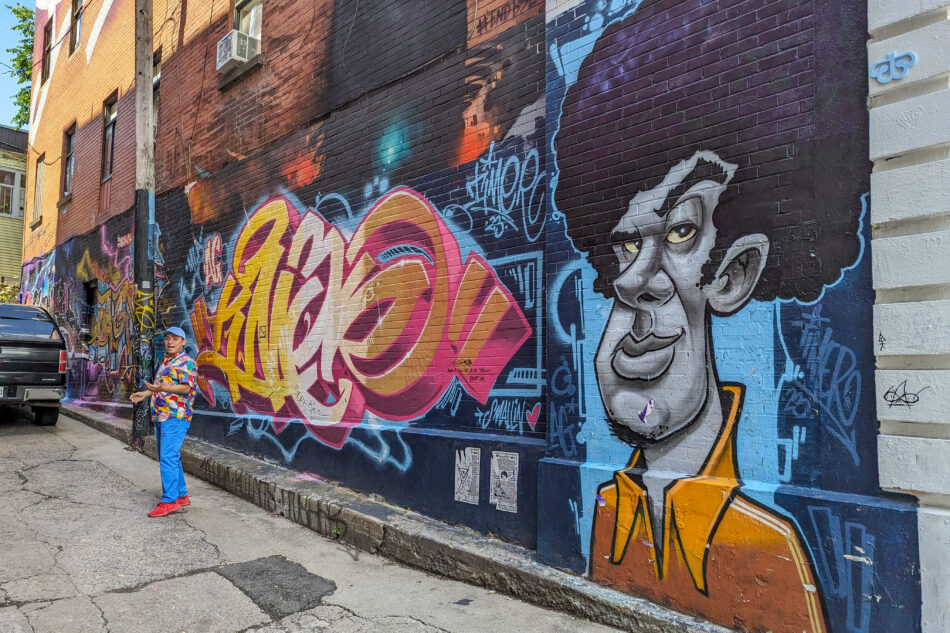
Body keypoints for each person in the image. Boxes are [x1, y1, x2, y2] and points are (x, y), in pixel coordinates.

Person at [553, 1, 867, 631]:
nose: (635, 278)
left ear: (734, 274)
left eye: (679, 232)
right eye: (624, 244)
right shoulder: (610, 509)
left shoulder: (770, 549)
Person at [130, 326, 197, 518]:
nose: (170, 342)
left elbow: (185, 388)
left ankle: (169, 501)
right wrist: (144, 394)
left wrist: (162, 387)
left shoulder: (186, 362)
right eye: (168, 338)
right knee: (170, 456)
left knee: (167, 457)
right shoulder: (166, 361)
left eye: (175, 338)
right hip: (161, 415)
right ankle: (182, 495)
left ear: (183, 342)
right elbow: (159, 386)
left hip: (175, 417)